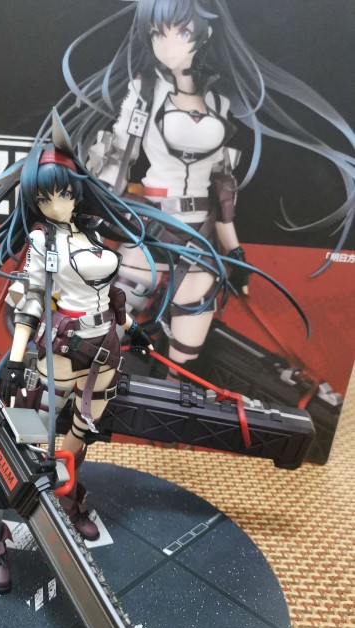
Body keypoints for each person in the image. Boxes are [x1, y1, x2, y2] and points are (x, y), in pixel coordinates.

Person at [0, 111, 306, 592]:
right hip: (54, 363)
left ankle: (70, 503)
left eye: (65, 193)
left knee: (79, 442)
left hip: (103, 360)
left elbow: (109, 296)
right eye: (46, 197)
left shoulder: (91, 233)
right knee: (24, 457)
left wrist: (131, 329)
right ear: (36, 201)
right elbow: (29, 302)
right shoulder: (42, 243)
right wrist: (16, 357)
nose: (58, 204)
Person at [54, 0, 354, 371]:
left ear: (205, 34)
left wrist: (235, 252)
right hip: (150, 231)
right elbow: (117, 162)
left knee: (184, 360)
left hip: (201, 240)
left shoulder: (219, 102)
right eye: (157, 34)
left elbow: (223, 189)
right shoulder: (144, 92)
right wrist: (85, 226)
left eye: (181, 33)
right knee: (96, 341)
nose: (168, 46)